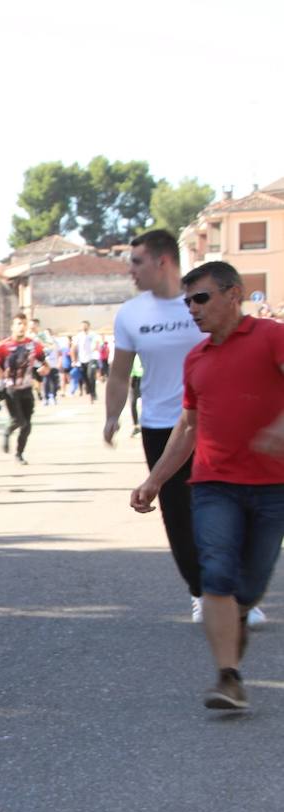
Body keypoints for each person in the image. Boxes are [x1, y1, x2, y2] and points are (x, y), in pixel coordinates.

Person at [131, 260, 284, 711]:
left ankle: (233, 627)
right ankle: (228, 677)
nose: (192, 309)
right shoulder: (196, 359)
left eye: (201, 299)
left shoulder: (273, 337)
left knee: (250, 585)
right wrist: (154, 480)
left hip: (273, 485)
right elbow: (187, 427)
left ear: (233, 295)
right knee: (215, 573)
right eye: (187, 302)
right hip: (213, 482)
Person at [106, 229, 264, 628]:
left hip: (218, 422)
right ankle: (202, 593)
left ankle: (238, 596)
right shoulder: (130, 314)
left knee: (231, 508)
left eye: (137, 261)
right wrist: (112, 414)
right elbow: (120, 373)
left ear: (163, 262)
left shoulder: (202, 300)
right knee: (179, 518)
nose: (131, 270)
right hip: (161, 427)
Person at [0, 313, 47, 465]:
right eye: (18, 323)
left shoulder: (34, 345)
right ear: (12, 326)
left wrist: (44, 369)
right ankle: (7, 431)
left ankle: (19, 453)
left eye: (24, 323)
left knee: (27, 426)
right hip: (10, 389)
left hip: (27, 388)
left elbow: (44, 363)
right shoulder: (2, 346)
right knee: (19, 420)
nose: (22, 327)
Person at [72, 320, 99, 402]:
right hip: (82, 360)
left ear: (89, 326)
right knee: (85, 378)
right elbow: (74, 348)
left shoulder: (93, 335)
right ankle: (90, 392)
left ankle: (93, 393)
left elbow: (97, 344)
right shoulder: (78, 336)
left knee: (91, 375)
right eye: (82, 326)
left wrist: (95, 347)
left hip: (92, 358)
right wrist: (74, 360)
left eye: (85, 325)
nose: (84, 327)